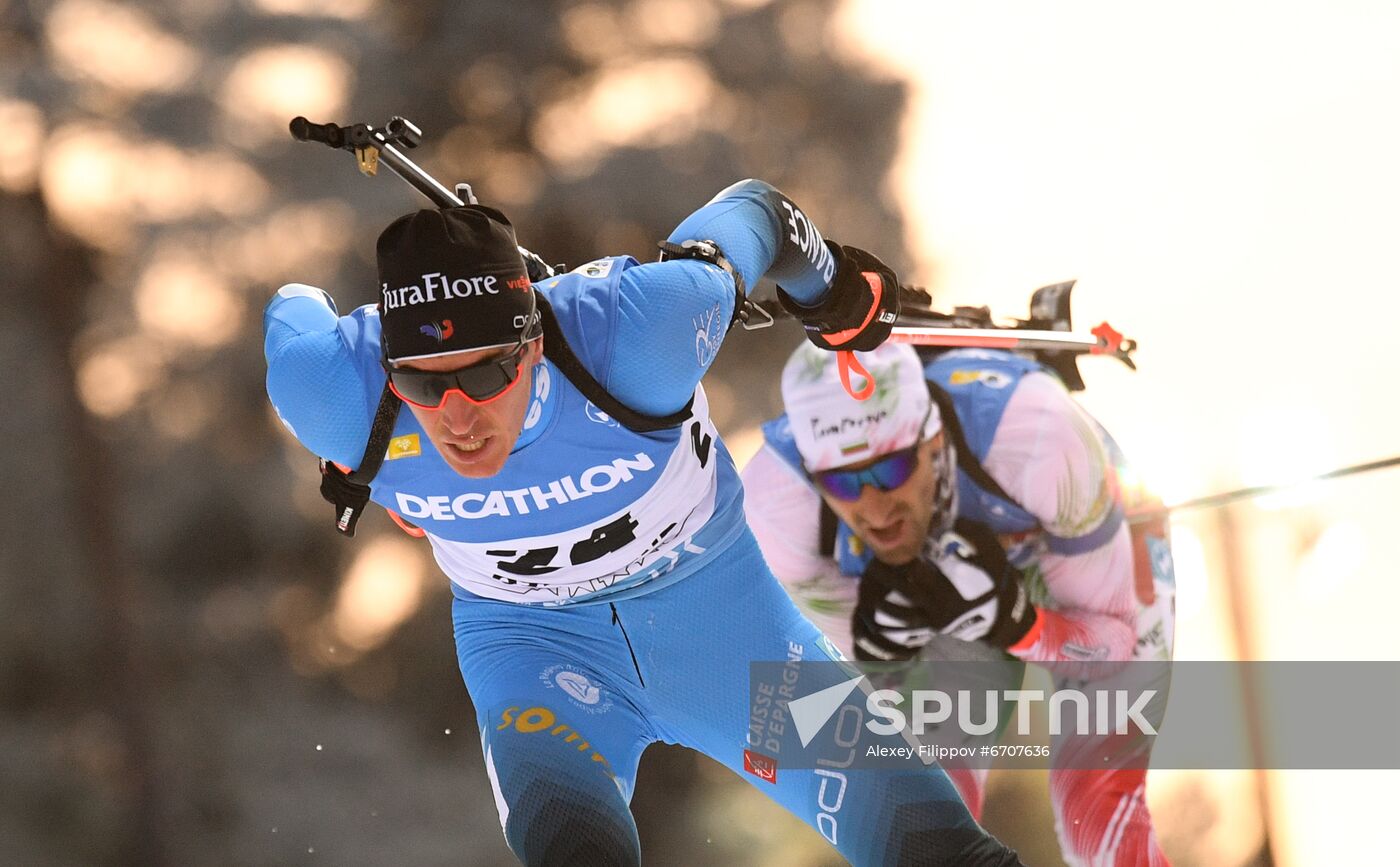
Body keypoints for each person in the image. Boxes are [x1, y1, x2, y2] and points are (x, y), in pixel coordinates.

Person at [262, 179, 1023, 866]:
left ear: (533, 344)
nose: (457, 419)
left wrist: (831, 288)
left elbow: (756, 210)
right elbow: (290, 301)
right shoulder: (336, 398)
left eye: (486, 374)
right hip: (534, 650)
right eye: (423, 386)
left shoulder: (640, 332)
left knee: (933, 849)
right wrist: (356, 452)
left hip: (725, 628)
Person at [742, 340, 1177, 866]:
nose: (874, 509)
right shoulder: (774, 508)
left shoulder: (1035, 436)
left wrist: (1021, 626)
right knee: (928, 820)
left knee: (1095, 810)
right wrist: (880, 653)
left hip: (1078, 556)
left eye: (889, 471)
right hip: (952, 614)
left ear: (933, 440)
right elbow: (854, 694)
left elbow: (1111, 649)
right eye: (842, 482)